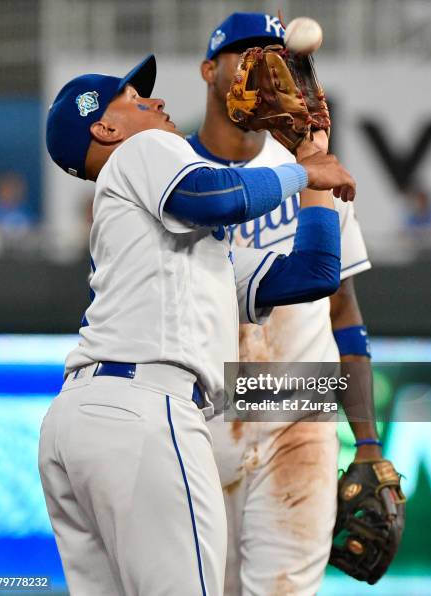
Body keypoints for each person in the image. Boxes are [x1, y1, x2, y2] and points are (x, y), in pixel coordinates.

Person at [38, 54, 356, 595]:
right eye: (136, 100)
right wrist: (301, 171)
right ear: (106, 128)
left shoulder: (170, 243)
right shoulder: (141, 152)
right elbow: (213, 195)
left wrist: (314, 167)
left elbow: (314, 275)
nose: (159, 102)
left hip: (85, 420)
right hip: (144, 411)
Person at [188, 12, 381, 595]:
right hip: (200, 416)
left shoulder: (314, 168)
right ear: (209, 69)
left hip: (299, 409)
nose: (263, 64)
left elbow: (342, 308)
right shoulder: (171, 173)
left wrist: (368, 443)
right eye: (245, 51)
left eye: (273, 52)